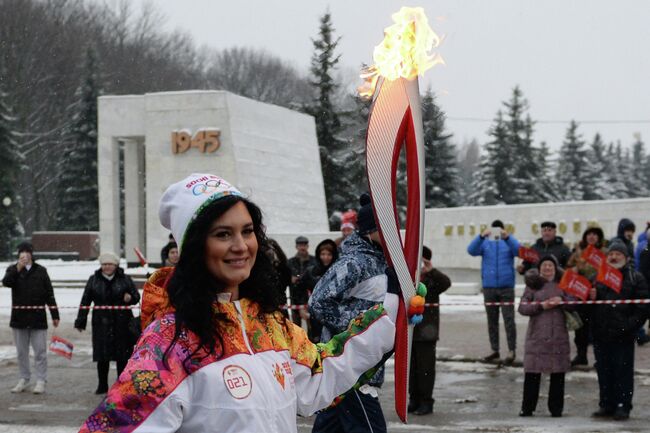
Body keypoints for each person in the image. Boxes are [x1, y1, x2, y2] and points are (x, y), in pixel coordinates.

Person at [78, 173, 397, 433]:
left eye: (247, 231)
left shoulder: (269, 325)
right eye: (223, 234)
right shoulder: (169, 344)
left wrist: (391, 314)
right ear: (194, 246)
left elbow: (320, 373)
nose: (241, 246)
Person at [309, 192, 394, 433]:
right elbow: (318, 302)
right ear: (370, 230)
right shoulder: (353, 262)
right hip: (349, 362)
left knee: (330, 426)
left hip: (366, 360)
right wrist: (362, 327)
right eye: (386, 228)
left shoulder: (381, 261)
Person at [588, 239, 648, 421]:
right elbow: (588, 307)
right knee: (604, 371)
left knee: (623, 372)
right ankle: (606, 404)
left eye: (618, 254)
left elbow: (643, 308)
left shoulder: (635, 277)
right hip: (601, 333)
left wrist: (628, 326)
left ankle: (623, 405)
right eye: (611, 254)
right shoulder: (598, 277)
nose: (614, 257)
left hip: (623, 335)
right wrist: (590, 297)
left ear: (626, 257)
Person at [74, 252, 141, 394]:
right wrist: (81, 320)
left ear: (116, 265)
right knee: (102, 356)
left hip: (122, 322)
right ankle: (102, 385)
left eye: (110, 264)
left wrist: (130, 298)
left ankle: (121, 384)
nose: (107, 267)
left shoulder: (125, 279)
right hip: (101, 322)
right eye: (104, 264)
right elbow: (85, 301)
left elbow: (136, 296)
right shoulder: (94, 280)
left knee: (122, 356)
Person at [518, 256, 572, 418]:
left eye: (550, 265)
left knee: (558, 373)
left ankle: (556, 409)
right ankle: (527, 408)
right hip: (537, 335)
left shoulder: (563, 284)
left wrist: (562, 300)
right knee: (533, 373)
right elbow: (522, 307)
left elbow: (575, 301)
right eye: (544, 265)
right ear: (539, 268)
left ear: (555, 268)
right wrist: (541, 306)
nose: (547, 268)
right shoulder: (532, 285)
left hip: (558, 335)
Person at [2, 242, 59, 394]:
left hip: (37, 318)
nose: (25, 256)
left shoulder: (41, 271)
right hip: (19, 318)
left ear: (32, 255)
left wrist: (55, 314)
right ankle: (24, 378)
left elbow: (49, 293)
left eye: (27, 253)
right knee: (21, 352)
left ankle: (41, 379)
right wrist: (17, 269)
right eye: (22, 253)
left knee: (40, 351)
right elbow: (6, 282)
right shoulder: (13, 269)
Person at [467, 219, 520, 364]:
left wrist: (507, 237)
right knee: (492, 321)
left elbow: (519, 251)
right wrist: (481, 236)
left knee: (509, 320)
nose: (497, 232)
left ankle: (511, 351)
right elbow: (471, 250)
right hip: (489, 287)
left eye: (499, 230)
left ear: (503, 230)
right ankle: (494, 350)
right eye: (494, 229)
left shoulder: (508, 242)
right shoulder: (485, 243)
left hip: (506, 287)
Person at [408, 246, 451, 416]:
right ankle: (414, 399)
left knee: (425, 369)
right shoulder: (408, 280)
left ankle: (427, 401)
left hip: (426, 333)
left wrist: (431, 270)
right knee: (411, 369)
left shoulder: (432, 280)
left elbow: (446, 283)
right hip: (410, 331)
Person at [566, 226, 606, 366]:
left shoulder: (604, 252)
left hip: (598, 294)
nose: (592, 237)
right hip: (581, 293)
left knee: (598, 329)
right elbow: (568, 267)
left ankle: (599, 359)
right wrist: (574, 269)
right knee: (581, 329)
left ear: (599, 237)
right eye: (589, 234)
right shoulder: (578, 251)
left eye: (595, 234)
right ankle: (581, 356)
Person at [297, 239, 339, 343]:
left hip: (336, 314)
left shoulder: (338, 270)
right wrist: (302, 306)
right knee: (317, 342)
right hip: (316, 315)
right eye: (323, 254)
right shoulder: (311, 271)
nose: (326, 257)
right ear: (318, 254)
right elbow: (299, 288)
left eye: (329, 254)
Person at [287, 235, 317, 326]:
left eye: (304, 245)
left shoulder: (314, 261)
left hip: (311, 299)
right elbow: (284, 278)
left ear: (307, 246)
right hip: (294, 298)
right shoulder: (290, 262)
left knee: (312, 327)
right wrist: (290, 279)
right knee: (295, 328)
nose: (302, 247)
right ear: (296, 247)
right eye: (300, 245)